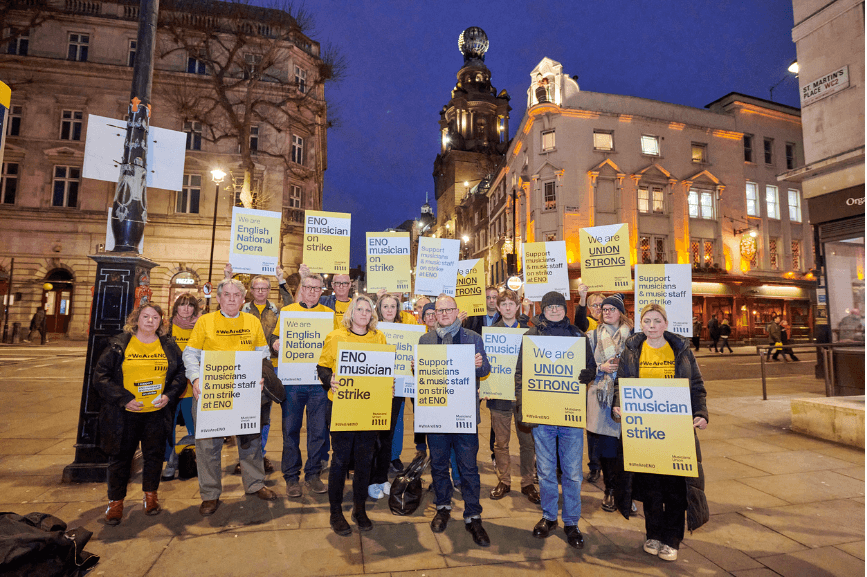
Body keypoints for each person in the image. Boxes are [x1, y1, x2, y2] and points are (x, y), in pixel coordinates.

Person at [613, 303, 709, 562]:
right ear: (640, 325)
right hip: (645, 429)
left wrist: (700, 414)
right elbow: (621, 384)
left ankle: (672, 539)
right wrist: (618, 405)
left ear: (665, 324)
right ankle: (653, 534)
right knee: (651, 486)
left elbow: (697, 386)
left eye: (657, 321)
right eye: (647, 321)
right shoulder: (632, 350)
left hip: (676, 429)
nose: (652, 326)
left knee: (675, 487)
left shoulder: (681, 350)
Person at [183, 279, 278, 516]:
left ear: (243, 298)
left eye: (237, 294)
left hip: (245, 391)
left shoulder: (252, 321)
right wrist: (196, 379)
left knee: (250, 442)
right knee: (208, 446)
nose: (232, 298)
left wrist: (262, 375)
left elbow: (262, 354)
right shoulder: (205, 321)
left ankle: (255, 484)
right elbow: (190, 355)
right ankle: (210, 494)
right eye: (227, 294)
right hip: (212, 391)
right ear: (219, 298)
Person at [515, 291, 596, 549]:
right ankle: (549, 517)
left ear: (565, 309)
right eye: (549, 307)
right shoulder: (532, 336)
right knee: (547, 470)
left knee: (572, 473)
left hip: (570, 416)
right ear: (543, 309)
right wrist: (522, 403)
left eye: (558, 307)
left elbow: (591, 367)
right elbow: (521, 373)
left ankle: (571, 521)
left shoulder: (577, 336)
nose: (554, 310)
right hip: (543, 416)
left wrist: (586, 374)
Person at [93, 302, 187, 525]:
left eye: (155, 318)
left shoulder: (168, 345)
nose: (150, 321)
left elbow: (180, 373)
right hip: (126, 412)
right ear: (136, 319)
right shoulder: (120, 344)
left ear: (161, 322)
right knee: (120, 457)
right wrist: (124, 399)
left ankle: (150, 496)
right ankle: (115, 503)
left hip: (155, 411)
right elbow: (101, 377)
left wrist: (169, 395)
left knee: (154, 456)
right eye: (146, 317)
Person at [420, 294, 492, 547]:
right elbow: (424, 376)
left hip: (464, 415)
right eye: (439, 311)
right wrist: (418, 368)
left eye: (448, 309)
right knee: (439, 465)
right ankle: (443, 507)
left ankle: (473, 515)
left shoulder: (473, 339)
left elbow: (485, 371)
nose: (444, 314)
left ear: (456, 311)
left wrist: (479, 365)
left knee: (468, 468)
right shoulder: (425, 340)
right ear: (435, 315)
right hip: (437, 415)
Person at [316, 295, 389, 535]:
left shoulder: (379, 338)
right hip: (341, 406)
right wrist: (330, 380)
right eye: (360, 309)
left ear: (372, 314)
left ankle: (359, 508)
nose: (364, 314)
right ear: (351, 312)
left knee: (364, 460)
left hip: (368, 409)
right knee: (339, 460)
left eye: (368, 310)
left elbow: (383, 369)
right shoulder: (336, 336)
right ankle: (335, 512)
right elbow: (323, 366)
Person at [270, 272, 333, 498]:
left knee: (318, 432)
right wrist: (275, 342)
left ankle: (313, 474)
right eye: (309, 287)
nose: (313, 291)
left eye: (317, 288)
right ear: (302, 289)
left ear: (322, 291)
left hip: (318, 384)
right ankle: (291, 477)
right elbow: (273, 338)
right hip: (293, 383)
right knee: (290, 430)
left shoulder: (329, 314)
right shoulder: (287, 313)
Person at [225, 266, 281, 475]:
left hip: (269, 367)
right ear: (250, 290)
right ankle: (245, 456)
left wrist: (283, 281)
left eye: (264, 288)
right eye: (256, 288)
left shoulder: (276, 310)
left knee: (265, 415)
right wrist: (227, 278)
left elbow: (293, 307)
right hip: (245, 365)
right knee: (244, 414)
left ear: (268, 290)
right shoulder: (242, 309)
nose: (260, 292)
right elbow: (223, 312)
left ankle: (261, 453)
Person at [487, 289, 539, 504]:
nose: (508, 308)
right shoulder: (490, 333)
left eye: (512, 304)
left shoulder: (529, 332)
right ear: (498, 308)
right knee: (501, 443)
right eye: (504, 304)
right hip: (499, 396)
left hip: (523, 396)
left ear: (518, 307)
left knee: (527, 443)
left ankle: (527, 482)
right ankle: (504, 480)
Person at [585, 294, 632, 513]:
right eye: (604, 309)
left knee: (627, 450)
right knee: (607, 450)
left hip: (625, 397)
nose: (608, 312)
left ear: (621, 313)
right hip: (601, 398)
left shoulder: (632, 338)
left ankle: (627, 492)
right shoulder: (592, 336)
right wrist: (599, 368)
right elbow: (582, 369)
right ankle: (610, 490)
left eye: (613, 309)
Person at [368, 293, 406, 496]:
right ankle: (371, 478)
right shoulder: (372, 332)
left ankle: (382, 477)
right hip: (375, 389)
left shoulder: (406, 331)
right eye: (385, 306)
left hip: (396, 389)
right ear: (379, 309)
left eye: (393, 306)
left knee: (388, 434)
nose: (389, 310)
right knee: (373, 435)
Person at [161, 293, 200, 481]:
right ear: (176, 307)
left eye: (190, 305)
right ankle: (169, 460)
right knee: (169, 427)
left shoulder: (200, 326)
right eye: (182, 305)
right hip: (172, 384)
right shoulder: (167, 327)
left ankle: (188, 458)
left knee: (195, 426)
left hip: (192, 383)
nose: (186, 309)